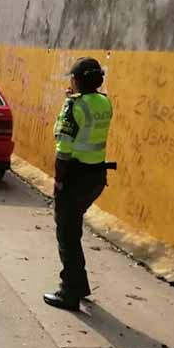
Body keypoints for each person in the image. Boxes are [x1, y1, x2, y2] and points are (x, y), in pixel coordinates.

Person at [44, 57, 114, 311]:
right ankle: (80, 284)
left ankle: (69, 292)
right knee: (74, 230)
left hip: (74, 177)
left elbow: (63, 150)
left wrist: (59, 181)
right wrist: (73, 99)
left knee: (67, 235)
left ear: (77, 80)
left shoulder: (73, 107)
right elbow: (88, 119)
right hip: (96, 177)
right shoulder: (104, 102)